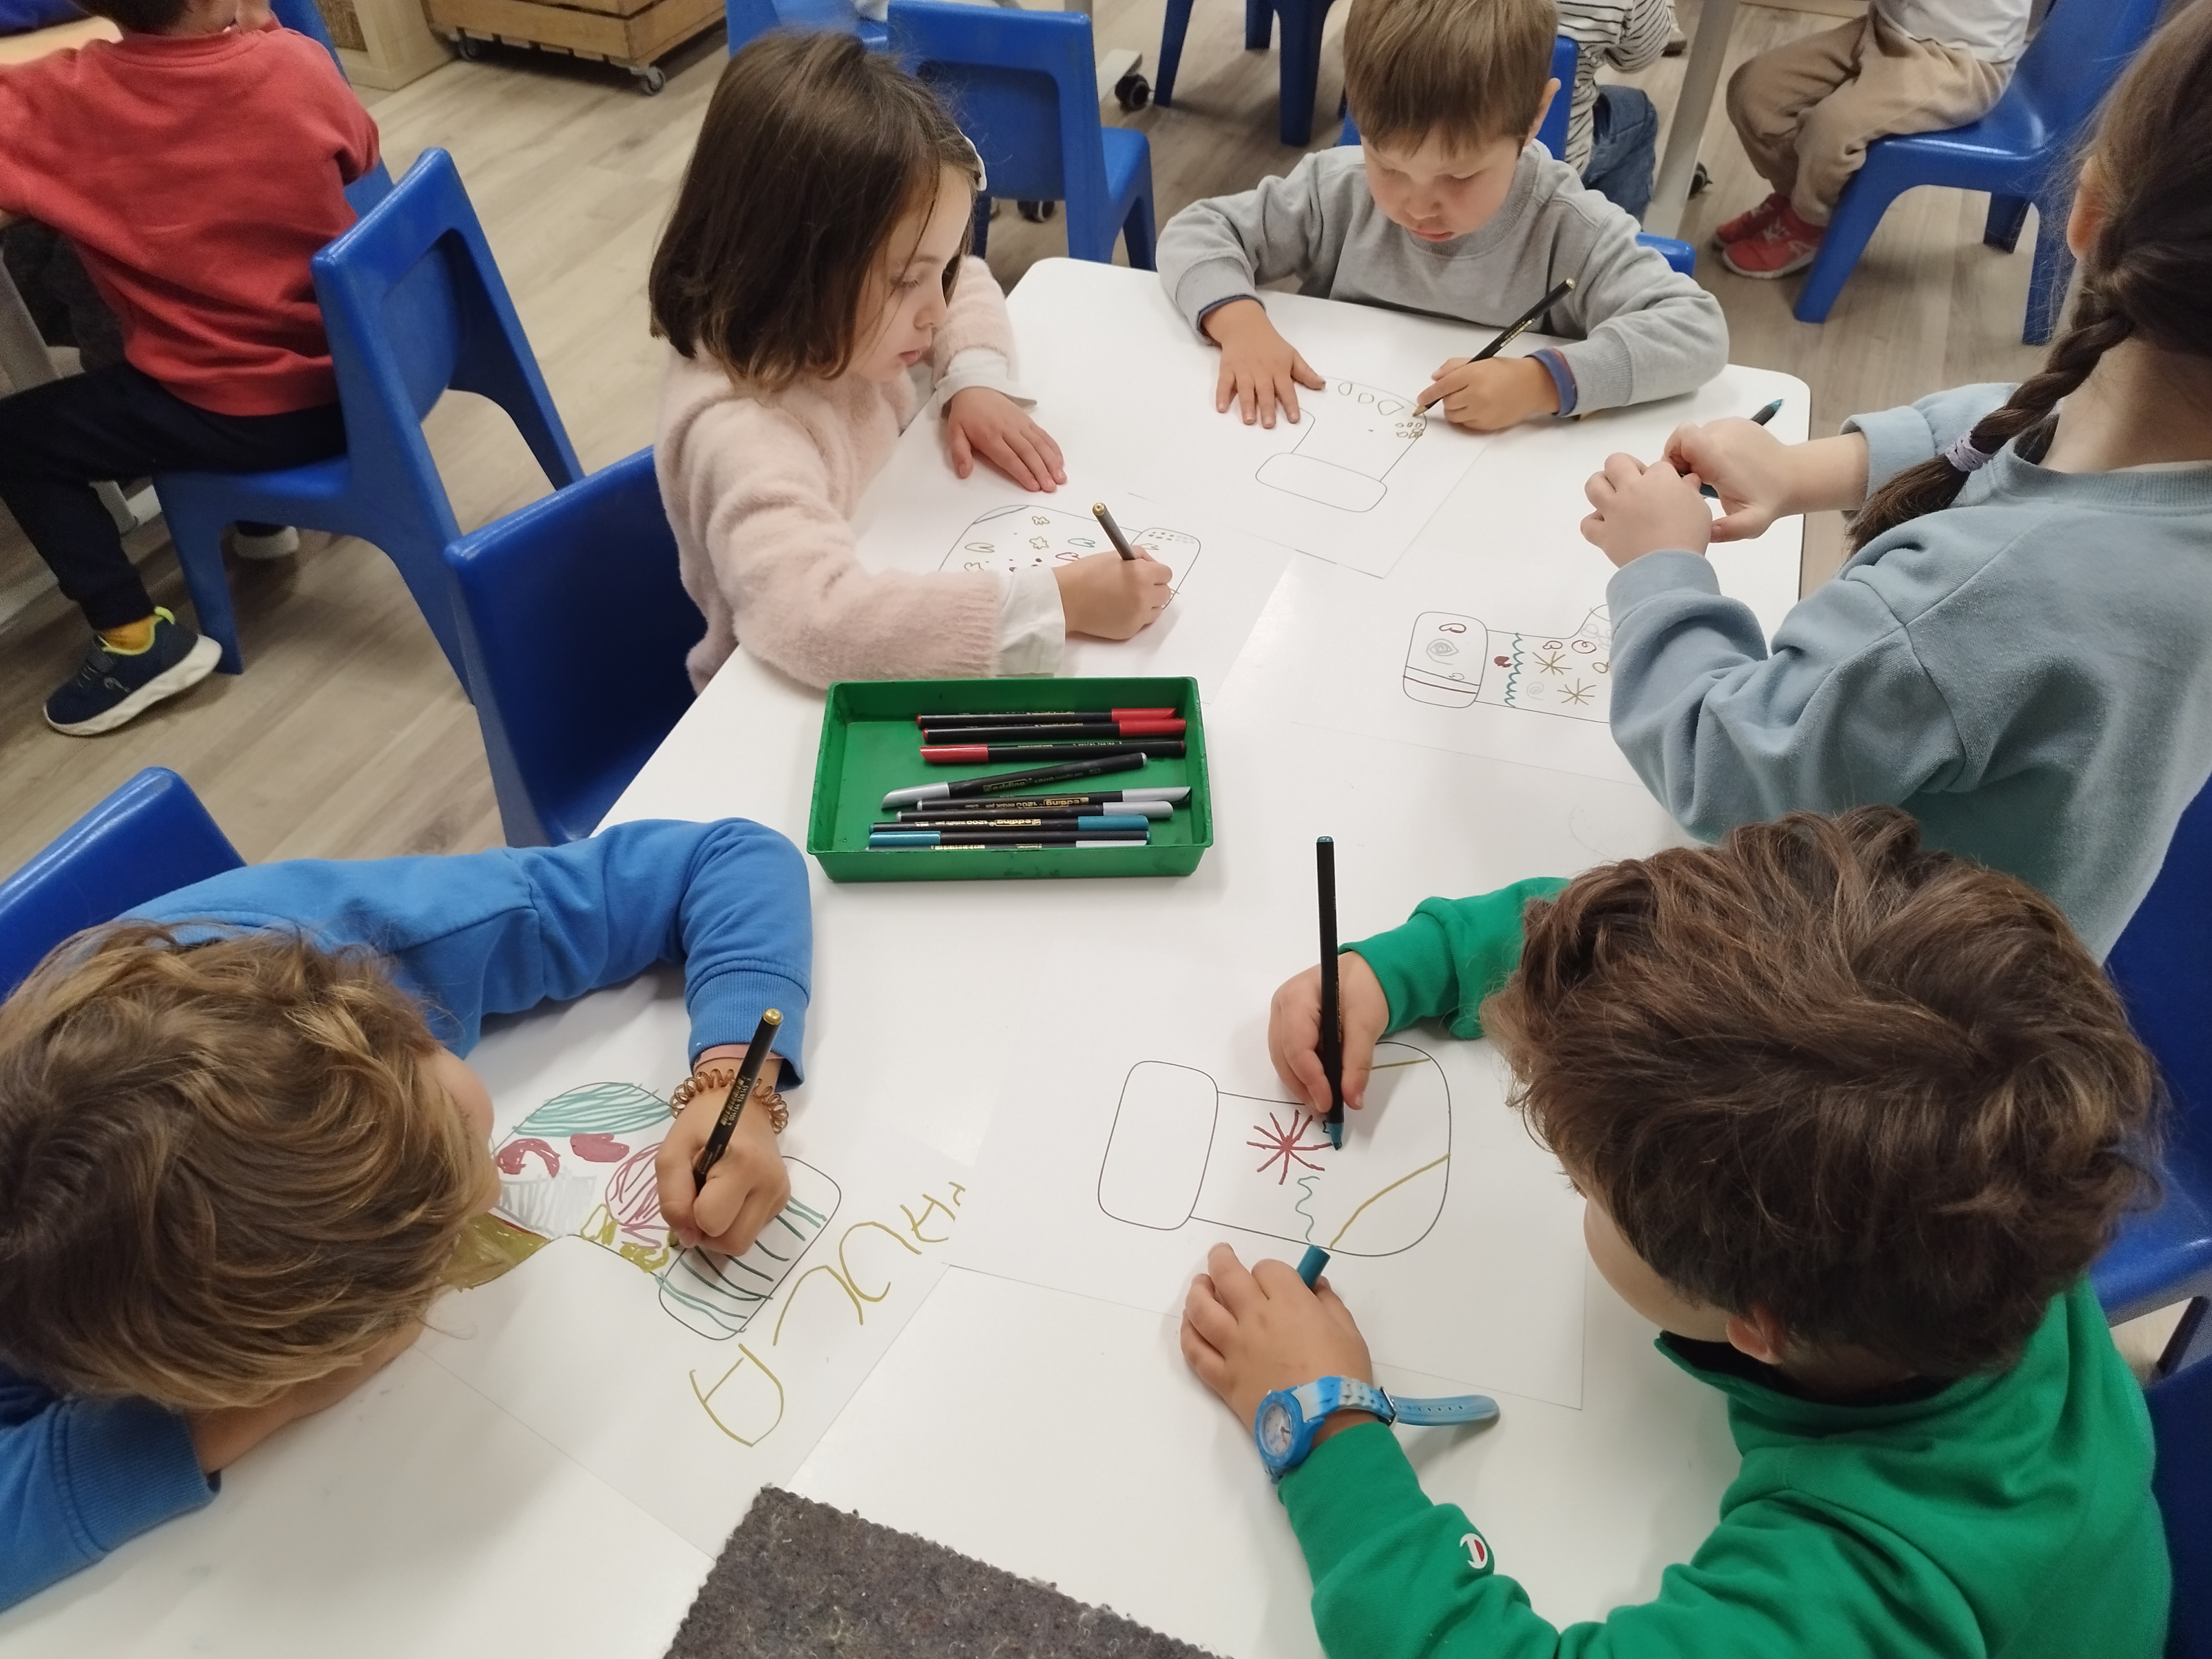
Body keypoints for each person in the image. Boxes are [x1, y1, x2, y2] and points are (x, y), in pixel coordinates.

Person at [1193, 807, 2167, 1658]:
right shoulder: (1997, 1170)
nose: (1578, 1194)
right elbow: (1657, 957)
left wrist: (1322, 1427)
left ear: (1758, 1324)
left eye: (1584, 1186)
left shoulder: (1873, 1585)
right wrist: (1406, 969)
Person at [0, 816, 812, 1607]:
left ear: (394, 1012)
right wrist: (250, 1414)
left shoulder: (364, 944)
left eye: (457, 1128)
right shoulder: (48, 1293)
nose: (491, 1194)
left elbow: (724, 858)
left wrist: (735, 1081)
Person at [1577, 0, 2212, 960]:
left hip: (1884, 994)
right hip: (2043, 965)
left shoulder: (1974, 599)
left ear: (2086, 212)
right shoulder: (2148, 467)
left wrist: (1660, 569)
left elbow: (1728, 771)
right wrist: (1800, 470)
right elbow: (2028, 420)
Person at [651, 32, 1170, 692]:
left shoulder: (826, 322)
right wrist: (1055, 606)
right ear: (786, 264)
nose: (936, 308)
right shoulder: (741, 434)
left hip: (887, 556)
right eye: (905, 281)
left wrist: (973, 378)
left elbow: (966, 278)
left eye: (938, 268)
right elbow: (817, 622)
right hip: (766, 699)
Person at [0, 0, 377, 735]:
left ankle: (133, 641)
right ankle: (260, 520)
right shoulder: (295, 61)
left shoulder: (61, 102)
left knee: (17, 440)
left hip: (238, 410)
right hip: (357, 379)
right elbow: (359, 153)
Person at [1155, 0, 1725, 434]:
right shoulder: (1338, 188)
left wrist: (1542, 382)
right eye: (1388, 165)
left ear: (1535, 116)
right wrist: (1240, 324)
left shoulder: (1567, 224)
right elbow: (1198, 230)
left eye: (1458, 177)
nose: (1418, 205)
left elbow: (1695, 330)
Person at [1713, 0, 2031, 278]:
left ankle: (1809, 223)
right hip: (1885, 29)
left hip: (1964, 59)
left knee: (1833, 127)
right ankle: (1795, 194)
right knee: (1753, 91)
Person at [1555, 0, 1673, 220]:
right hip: (1556, 160)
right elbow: (1640, 56)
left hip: (1487, 148)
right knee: (1642, 115)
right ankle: (1613, 233)